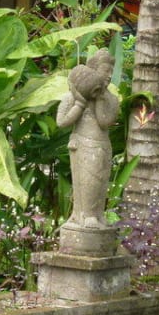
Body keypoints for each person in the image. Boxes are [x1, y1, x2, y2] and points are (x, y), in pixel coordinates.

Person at [56, 49, 119, 229]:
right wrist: (79, 104)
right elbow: (62, 122)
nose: (109, 75)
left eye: (111, 72)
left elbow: (104, 122)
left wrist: (99, 99)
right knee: (87, 180)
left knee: (101, 182)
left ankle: (98, 214)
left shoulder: (111, 100)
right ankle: (87, 215)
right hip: (83, 144)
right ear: (93, 71)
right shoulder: (72, 97)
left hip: (103, 145)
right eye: (105, 71)